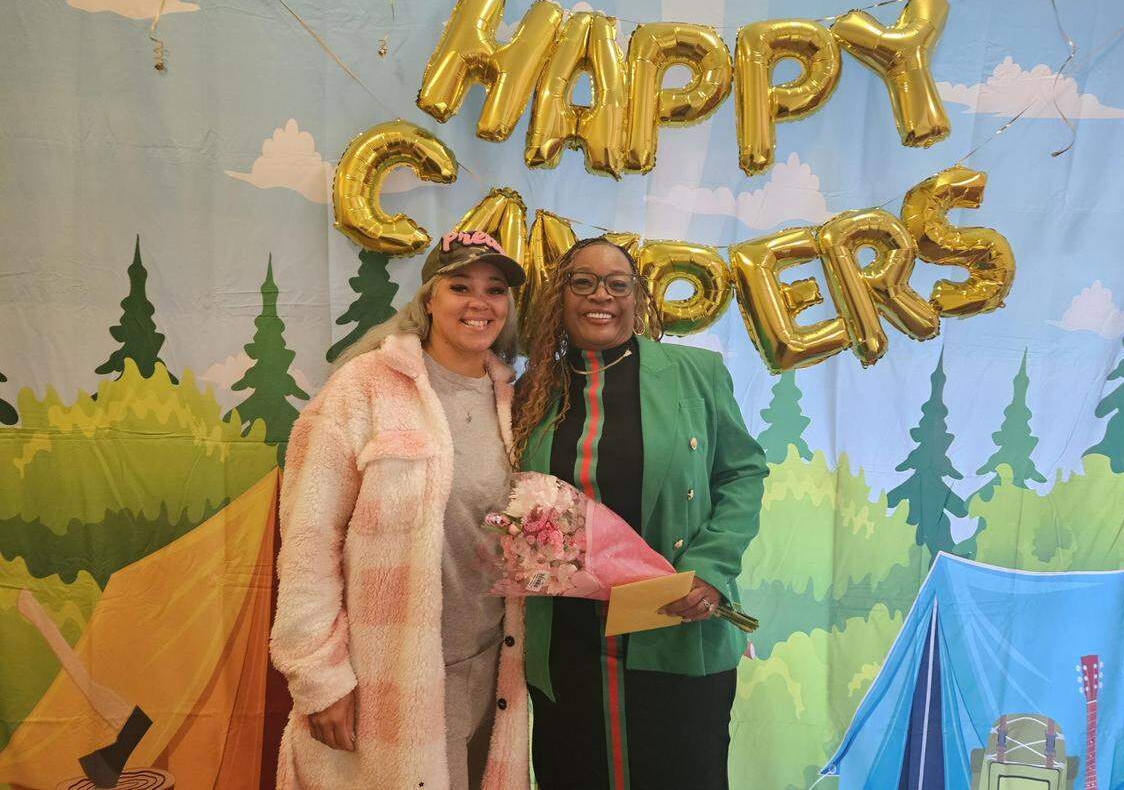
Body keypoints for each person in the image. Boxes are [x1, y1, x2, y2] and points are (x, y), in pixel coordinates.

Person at [270, 231, 532, 790]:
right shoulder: (361, 390)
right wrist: (319, 675)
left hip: (491, 669)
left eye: (494, 289)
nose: (478, 302)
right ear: (429, 299)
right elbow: (310, 541)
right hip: (385, 676)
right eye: (460, 286)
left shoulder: (516, 401)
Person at [512, 237, 769, 790]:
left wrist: (709, 568)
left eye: (617, 283)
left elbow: (742, 473)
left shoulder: (695, 373)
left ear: (637, 297)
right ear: (561, 296)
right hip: (567, 641)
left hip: (677, 619)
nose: (600, 295)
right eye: (583, 281)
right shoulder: (534, 389)